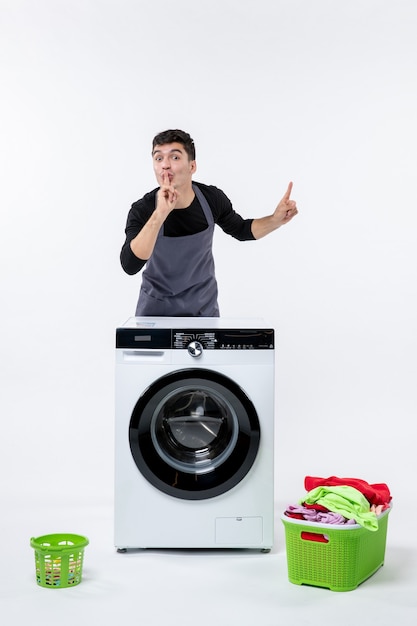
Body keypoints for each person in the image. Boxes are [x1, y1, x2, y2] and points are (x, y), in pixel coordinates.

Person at [120, 129, 298, 317]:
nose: (165, 165)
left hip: (202, 311)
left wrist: (275, 220)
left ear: (192, 166)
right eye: (158, 158)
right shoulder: (142, 209)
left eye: (174, 157)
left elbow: (242, 230)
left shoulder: (211, 199)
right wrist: (160, 214)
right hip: (156, 312)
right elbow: (130, 265)